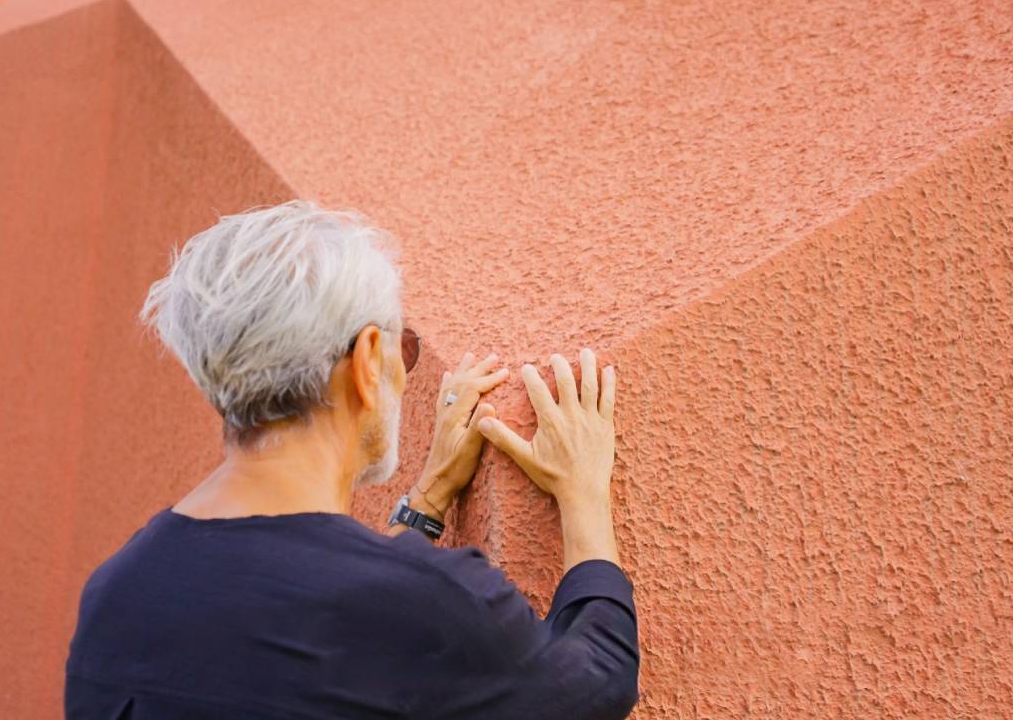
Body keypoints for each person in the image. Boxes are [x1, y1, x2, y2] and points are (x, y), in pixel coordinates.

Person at [63, 199, 640, 720]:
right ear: (367, 360)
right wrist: (583, 490)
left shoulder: (117, 593)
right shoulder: (423, 603)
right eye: (402, 348)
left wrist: (430, 497)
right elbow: (598, 681)